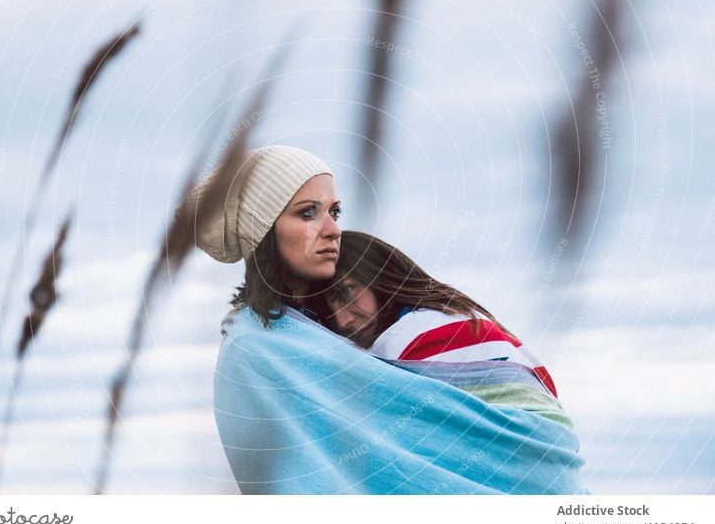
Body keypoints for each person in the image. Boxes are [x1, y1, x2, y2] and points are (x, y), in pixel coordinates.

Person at [190, 145, 587, 495]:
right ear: (263, 229)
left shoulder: (413, 332)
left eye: (335, 211)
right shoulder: (257, 347)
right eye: (308, 213)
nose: (332, 230)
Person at [311, 230, 572, 428]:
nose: (342, 320)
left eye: (346, 292)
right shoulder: (462, 317)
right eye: (328, 313)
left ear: (378, 276)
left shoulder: (408, 338)